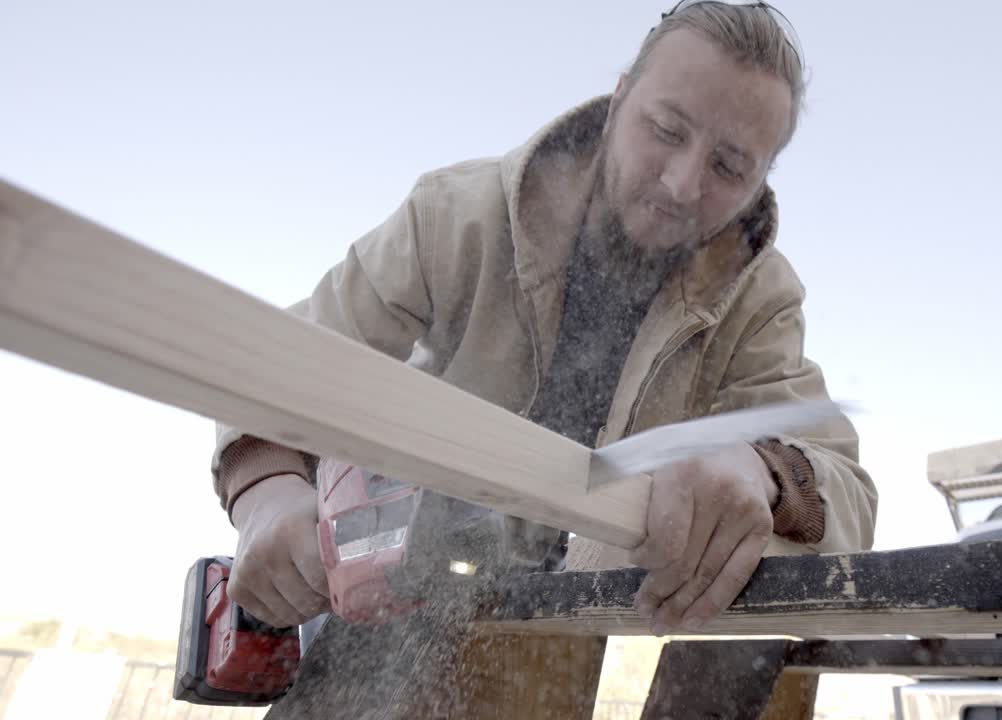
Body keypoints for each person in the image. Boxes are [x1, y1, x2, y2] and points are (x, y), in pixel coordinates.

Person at [210, 0, 877, 642]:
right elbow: (293, 361)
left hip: (563, 617)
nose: (681, 183)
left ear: (763, 179)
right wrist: (267, 492)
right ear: (619, 99)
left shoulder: (759, 299)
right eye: (666, 130)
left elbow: (846, 494)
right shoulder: (454, 215)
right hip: (386, 580)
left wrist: (763, 472)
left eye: (728, 166)